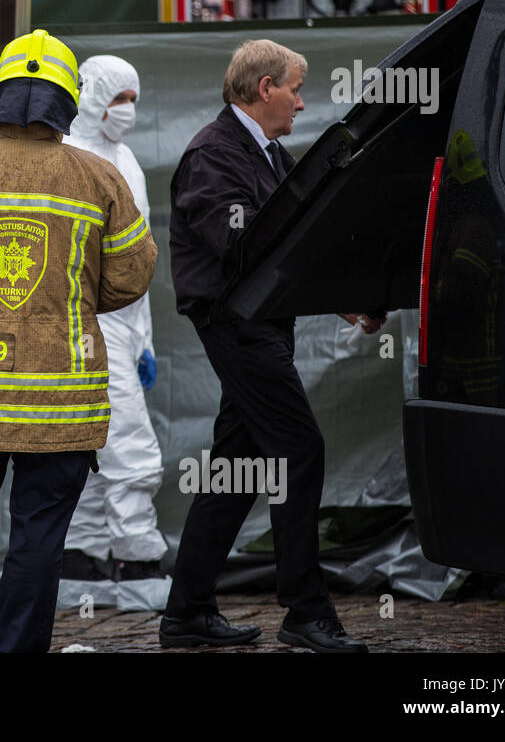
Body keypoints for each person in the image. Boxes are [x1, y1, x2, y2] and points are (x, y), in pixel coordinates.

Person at [0, 29, 158, 653]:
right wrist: (70, 300)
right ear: (69, 105)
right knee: (38, 539)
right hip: (62, 403)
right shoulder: (98, 179)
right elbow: (132, 276)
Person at [162, 39, 382, 653]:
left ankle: (186, 614)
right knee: (298, 448)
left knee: (236, 468)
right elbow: (242, 244)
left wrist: (343, 295)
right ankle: (306, 612)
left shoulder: (269, 154)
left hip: (260, 323)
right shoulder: (214, 154)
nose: (302, 103)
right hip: (238, 326)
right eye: (295, 88)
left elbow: (289, 244)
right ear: (264, 90)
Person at [59, 55, 170, 612]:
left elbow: (138, 259)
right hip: (81, 323)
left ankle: (83, 559)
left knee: (96, 440)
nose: (126, 110)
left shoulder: (126, 160)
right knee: (125, 445)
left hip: (123, 324)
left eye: (133, 98)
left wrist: (144, 340)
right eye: (117, 98)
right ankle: (136, 558)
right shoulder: (67, 158)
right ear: (91, 97)